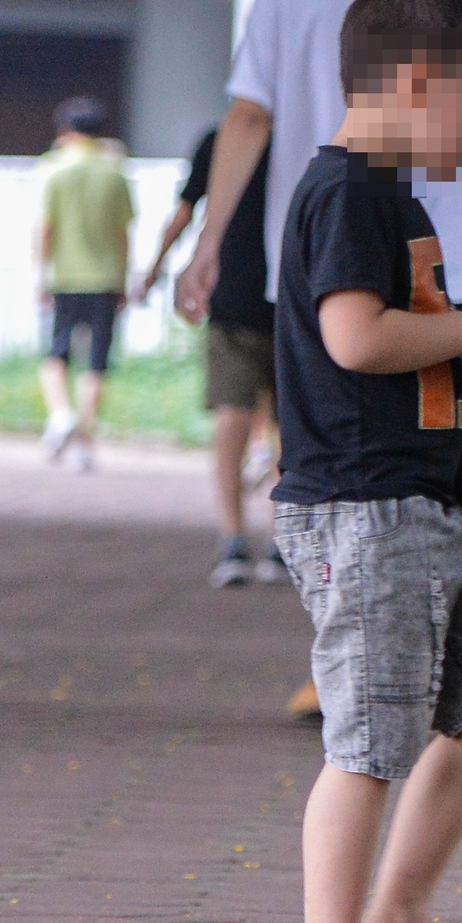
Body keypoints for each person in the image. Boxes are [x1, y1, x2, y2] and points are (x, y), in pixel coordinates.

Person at [176, 0, 462, 721]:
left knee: (319, 452)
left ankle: (362, 653)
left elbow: (246, 124)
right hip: (440, 269)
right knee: (429, 463)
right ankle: (371, 663)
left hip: (306, 263)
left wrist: (209, 241)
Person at [273, 0, 462, 923]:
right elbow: (355, 335)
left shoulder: (394, 198)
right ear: (419, 80)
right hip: (364, 512)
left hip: (421, 513)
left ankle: (397, 918)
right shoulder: (344, 191)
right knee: (370, 736)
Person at [136, 130, 288, 587]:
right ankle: (266, 538)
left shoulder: (224, 138)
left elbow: (183, 212)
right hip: (286, 302)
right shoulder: (308, 128)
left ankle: (238, 537)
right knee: (284, 424)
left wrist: (156, 269)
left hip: (249, 300)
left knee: (236, 418)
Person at [37, 97, 134, 473]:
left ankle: (61, 414)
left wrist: (40, 275)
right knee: (96, 364)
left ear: (64, 130)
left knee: (55, 356)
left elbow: (45, 227)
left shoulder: (53, 170)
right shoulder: (114, 173)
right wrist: (126, 277)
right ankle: (85, 444)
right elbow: (125, 233)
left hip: (64, 276)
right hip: (106, 278)